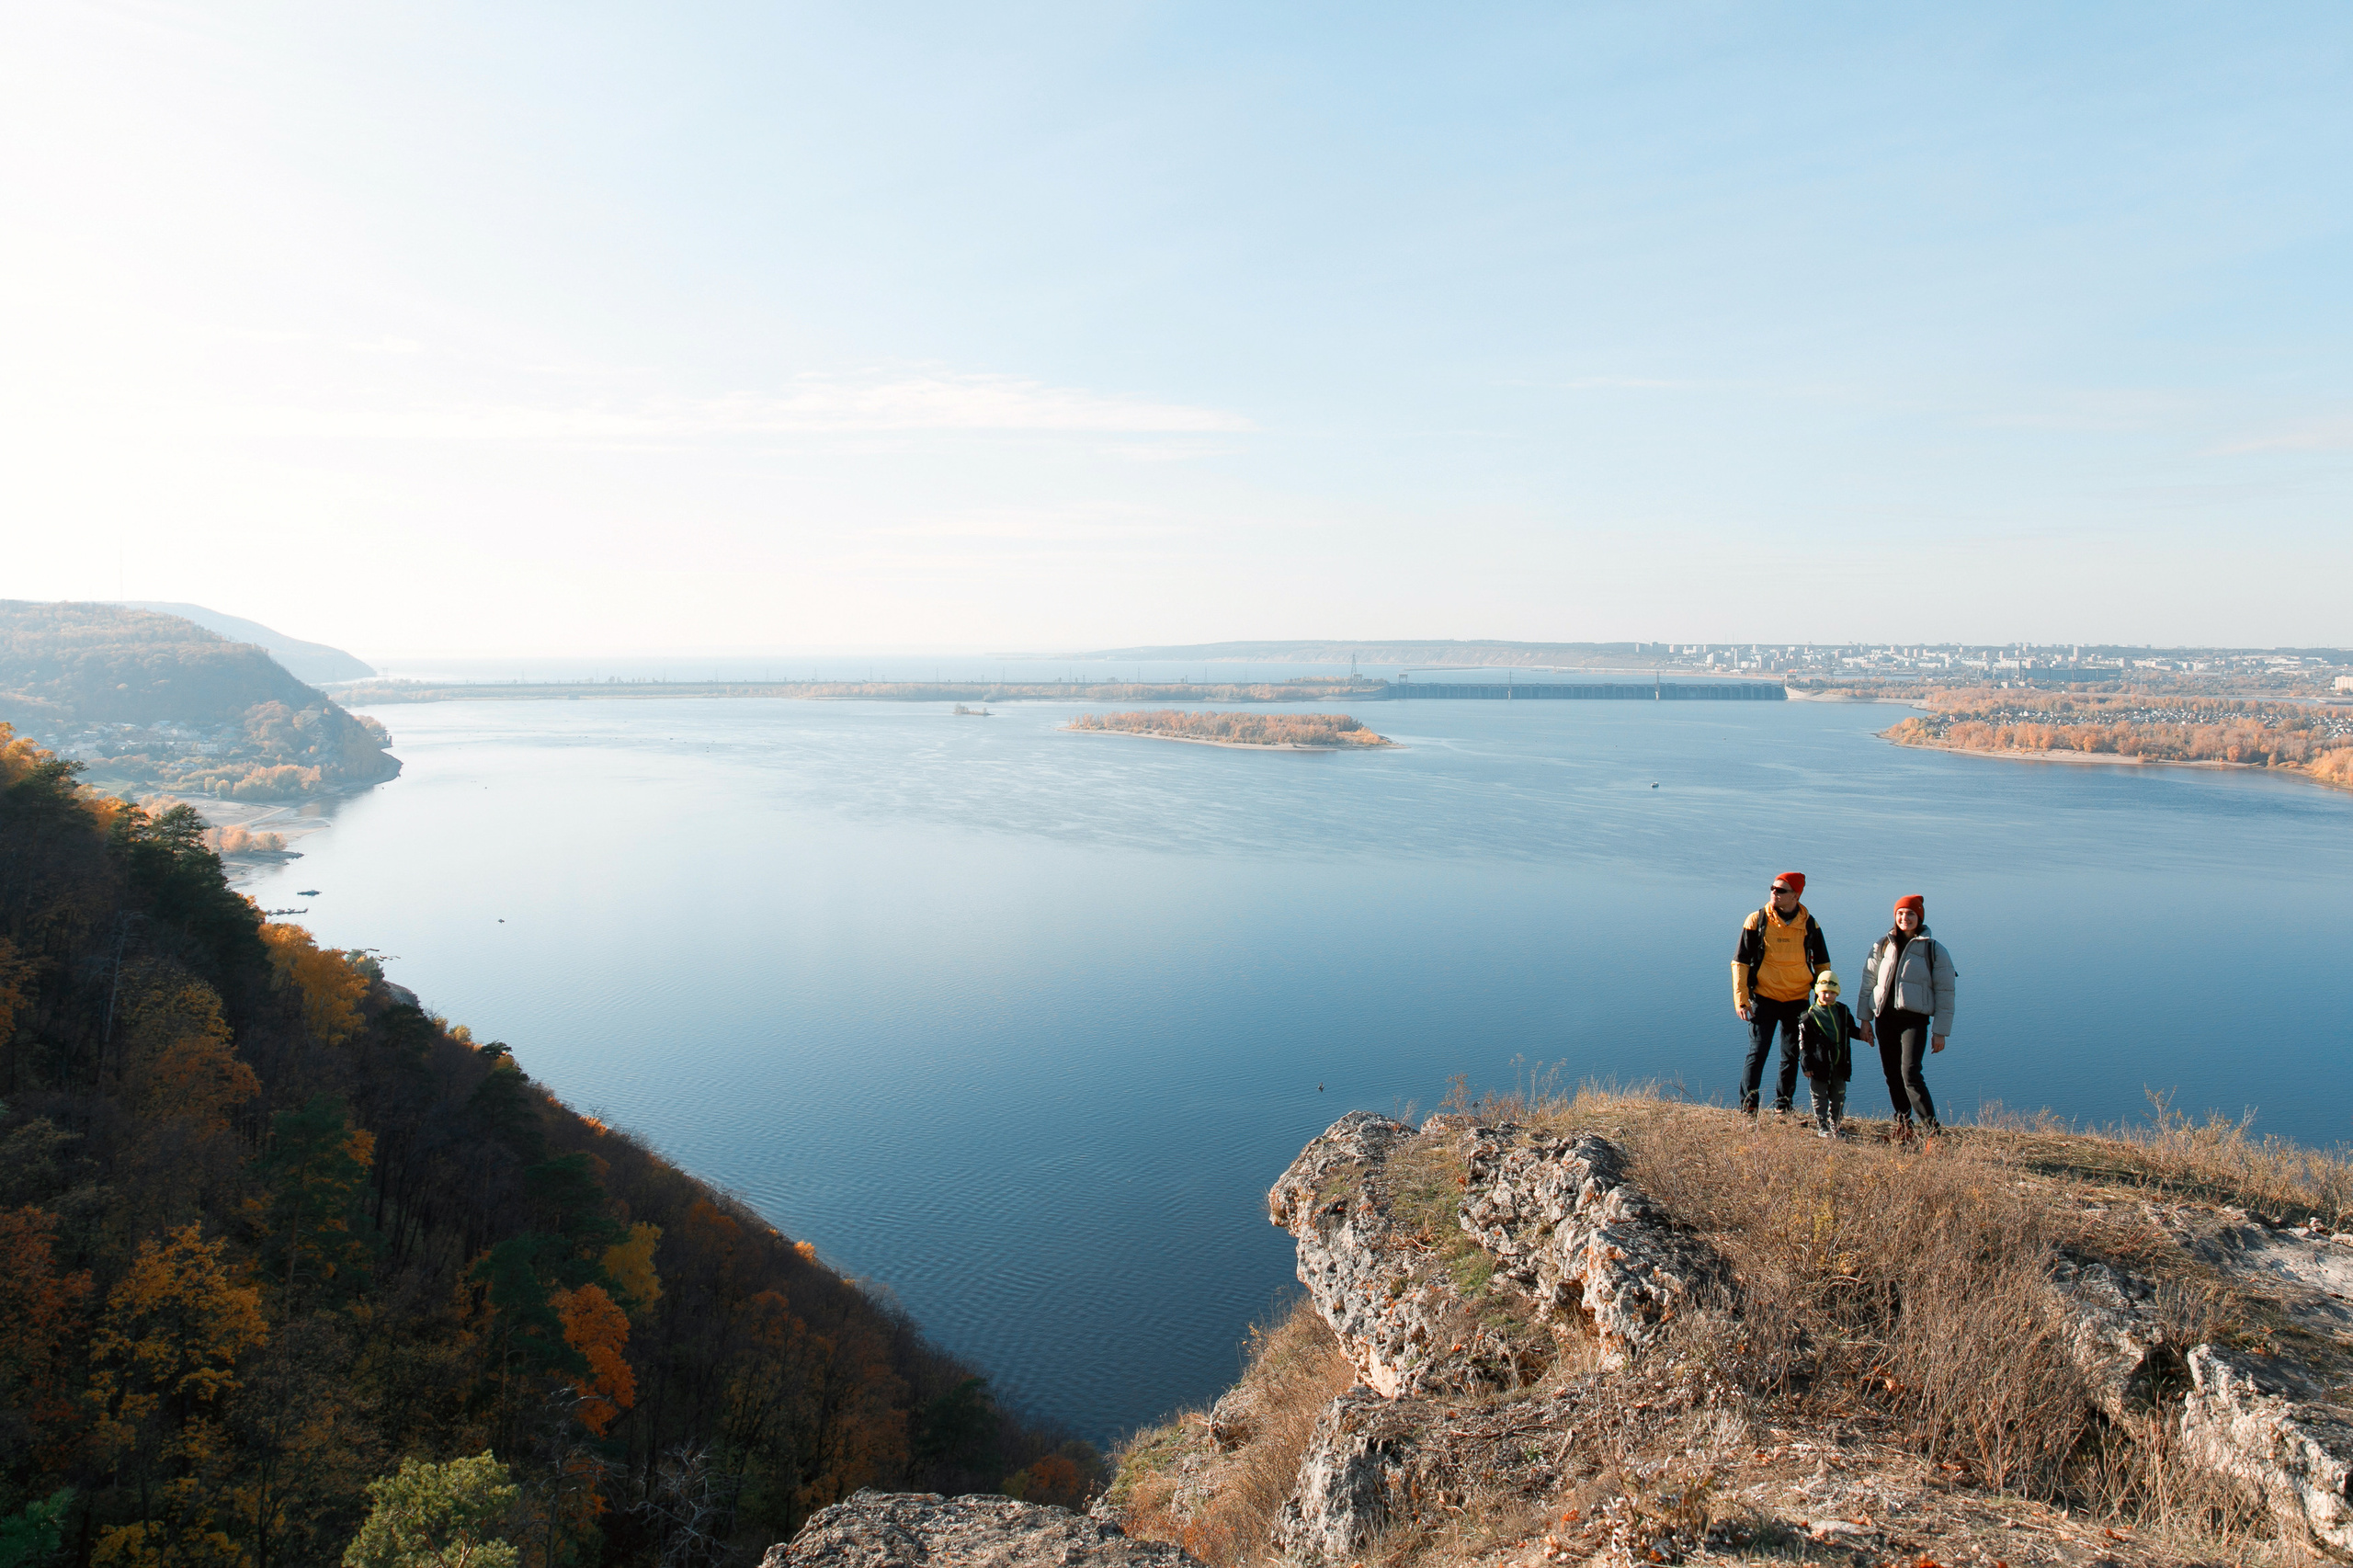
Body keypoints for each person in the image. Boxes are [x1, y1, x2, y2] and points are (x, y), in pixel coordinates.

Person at [1732, 872, 1832, 1118]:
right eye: (1773, 888)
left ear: (1796, 896)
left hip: (1798, 1000)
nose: (1774, 893)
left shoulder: (1810, 925)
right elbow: (1740, 962)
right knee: (1757, 1052)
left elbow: (1822, 966)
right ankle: (1749, 1106)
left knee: (1791, 1054)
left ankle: (1783, 1106)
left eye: (1781, 890)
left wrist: (1822, 998)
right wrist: (1741, 999)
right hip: (1764, 997)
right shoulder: (1757, 920)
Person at [1861, 894, 1958, 1137]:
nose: (1905, 918)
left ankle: (1932, 1131)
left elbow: (1946, 992)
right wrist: (1865, 1020)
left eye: (1911, 914)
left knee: (1910, 1074)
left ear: (1919, 917)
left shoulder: (1934, 949)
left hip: (1914, 1020)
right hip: (1885, 1018)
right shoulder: (1882, 944)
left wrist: (1940, 1032)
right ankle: (1904, 1126)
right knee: (1892, 1075)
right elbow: (1868, 984)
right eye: (1900, 913)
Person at [1796, 970, 1858, 1139]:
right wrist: (1806, 1066)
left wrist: (1864, 1036)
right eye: (1824, 992)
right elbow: (1803, 1044)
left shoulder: (1843, 1011)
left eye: (1832, 992)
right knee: (1819, 1096)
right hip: (1818, 1065)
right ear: (1817, 992)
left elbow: (1851, 1030)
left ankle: (1836, 1125)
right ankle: (1822, 1125)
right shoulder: (1808, 1017)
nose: (1828, 996)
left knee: (1838, 1095)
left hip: (1840, 1062)